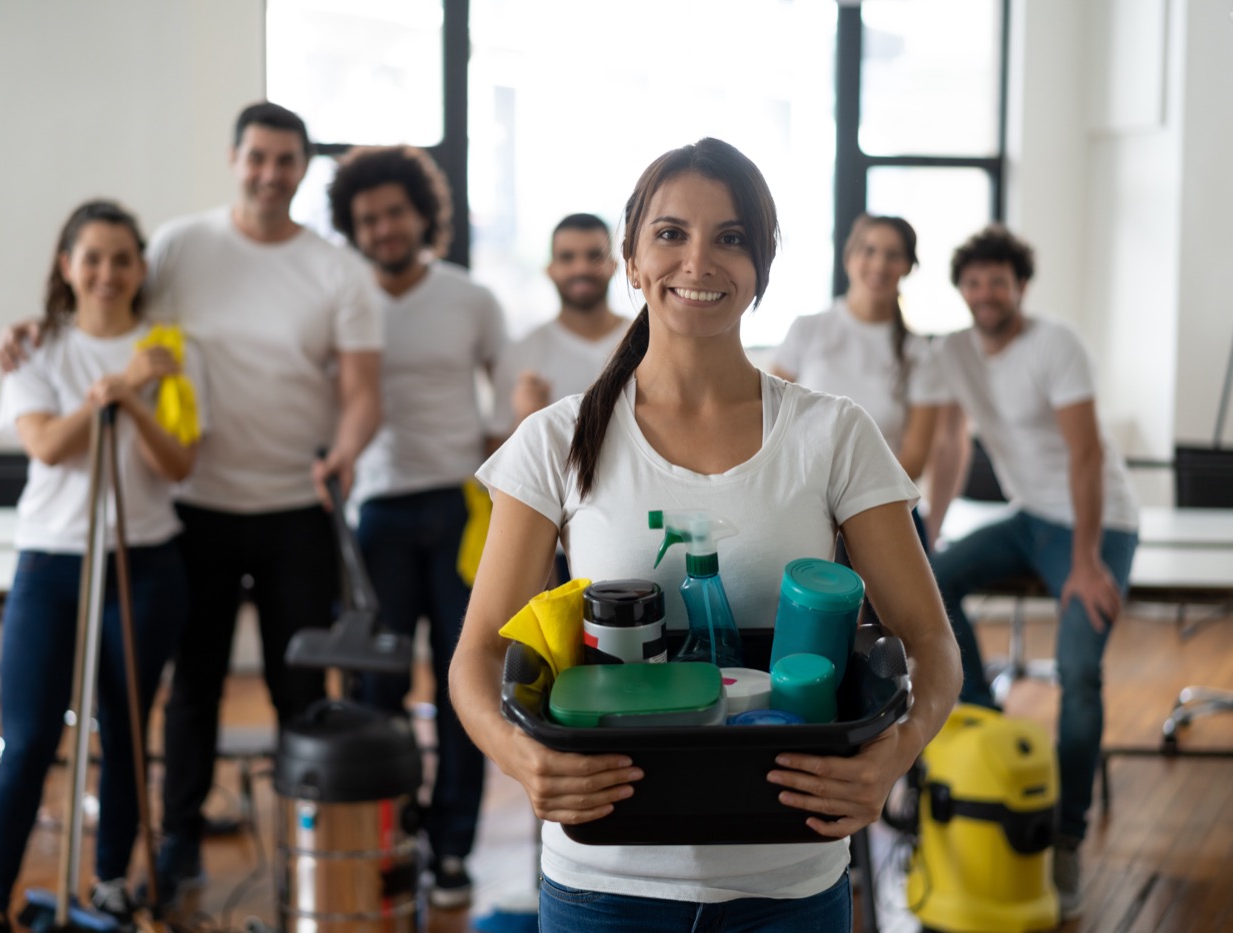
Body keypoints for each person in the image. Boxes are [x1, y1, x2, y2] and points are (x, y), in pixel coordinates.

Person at [448, 138, 961, 931]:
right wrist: (523, 760)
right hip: (605, 880)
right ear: (632, 260)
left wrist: (891, 757)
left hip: (788, 875)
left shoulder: (833, 435)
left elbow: (930, 638)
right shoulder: (555, 440)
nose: (699, 261)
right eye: (670, 233)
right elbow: (476, 655)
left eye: (731, 238)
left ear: (760, 266)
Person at [0, 102, 383, 907]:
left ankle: (304, 841)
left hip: (295, 508)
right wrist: (42, 325)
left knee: (299, 688)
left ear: (302, 168)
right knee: (194, 688)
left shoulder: (335, 269)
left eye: (286, 160)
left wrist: (345, 450)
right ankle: (175, 846)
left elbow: (361, 391)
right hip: (194, 506)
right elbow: (111, 304)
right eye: (257, 158)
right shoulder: (178, 244)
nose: (270, 174)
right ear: (235, 159)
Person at [0, 200, 206, 933]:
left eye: (122, 258)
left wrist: (131, 395)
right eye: (91, 257)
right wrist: (114, 387)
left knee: (125, 731)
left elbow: (179, 463)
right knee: (30, 734)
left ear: (141, 268)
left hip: (146, 563)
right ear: (66, 266)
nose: (107, 272)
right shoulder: (35, 349)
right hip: (51, 563)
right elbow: (47, 445)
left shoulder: (168, 350)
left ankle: (108, 882)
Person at [925, 223, 1140, 921]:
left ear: (1020, 287)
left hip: (1096, 523)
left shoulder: (1056, 344)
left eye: (1000, 280)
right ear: (962, 289)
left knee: (1079, 672)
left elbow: (1086, 455)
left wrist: (1085, 560)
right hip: (1025, 516)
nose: (987, 293)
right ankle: (985, 717)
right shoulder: (953, 351)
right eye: (975, 281)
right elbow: (951, 439)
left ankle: (1067, 834)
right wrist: (932, 522)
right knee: (933, 580)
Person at [326, 144, 505, 907]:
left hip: (461, 508)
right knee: (378, 686)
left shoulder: (471, 298)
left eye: (396, 211)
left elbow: (509, 414)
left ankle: (454, 848)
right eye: (368, 218)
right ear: (352, 228)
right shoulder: (340, 300)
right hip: (379, 514)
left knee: (467, 683)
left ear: (422, 214)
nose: (384, 227)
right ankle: (388, 835)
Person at [771, 213, 944, 486]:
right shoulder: (807, 329)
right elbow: (770, 422)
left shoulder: (920, 355)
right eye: (869, 250)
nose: (879, 264)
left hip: (882, 501)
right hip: (801, 491)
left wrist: (852, 502)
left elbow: (914, 460)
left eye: (893, 254)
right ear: (849, 257)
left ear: (908, 267)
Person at [490, 213, 630, 442]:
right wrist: (525, 419)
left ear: (613, 266)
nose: (581, 268)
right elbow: (493, 454)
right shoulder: (520, 354)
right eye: (567, 257)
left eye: (594, 256)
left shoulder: (648, 342)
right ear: (550, 270)